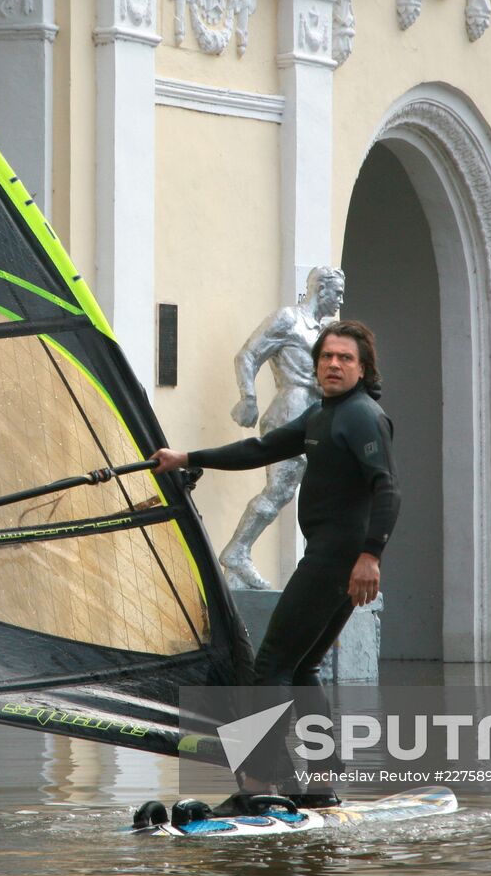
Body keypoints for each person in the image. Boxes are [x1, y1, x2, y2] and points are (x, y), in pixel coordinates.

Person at [152, 319, 400, 811]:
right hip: (334, 559)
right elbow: (260, 449)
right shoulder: (322, 416)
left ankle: (262, 783)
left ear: (363, 367)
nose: (333, 364)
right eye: (327, 356)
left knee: (270, 666)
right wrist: (186, 456)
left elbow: (387, 488)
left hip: (338, 560)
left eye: (345, 358)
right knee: (303, 665)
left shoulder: (362, 417)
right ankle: (320, 782)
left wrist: (370, 556)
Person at [218, 266, 345, 589]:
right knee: (280, 489)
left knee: (320, 490)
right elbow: (248, 354)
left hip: (317, 413)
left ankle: (318, 564)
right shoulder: (289, 319)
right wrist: (248, 397)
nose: (340, 299)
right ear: (321, 289)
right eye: (337, 292)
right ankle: (237, 552)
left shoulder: (324, 331)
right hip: (290, 409)